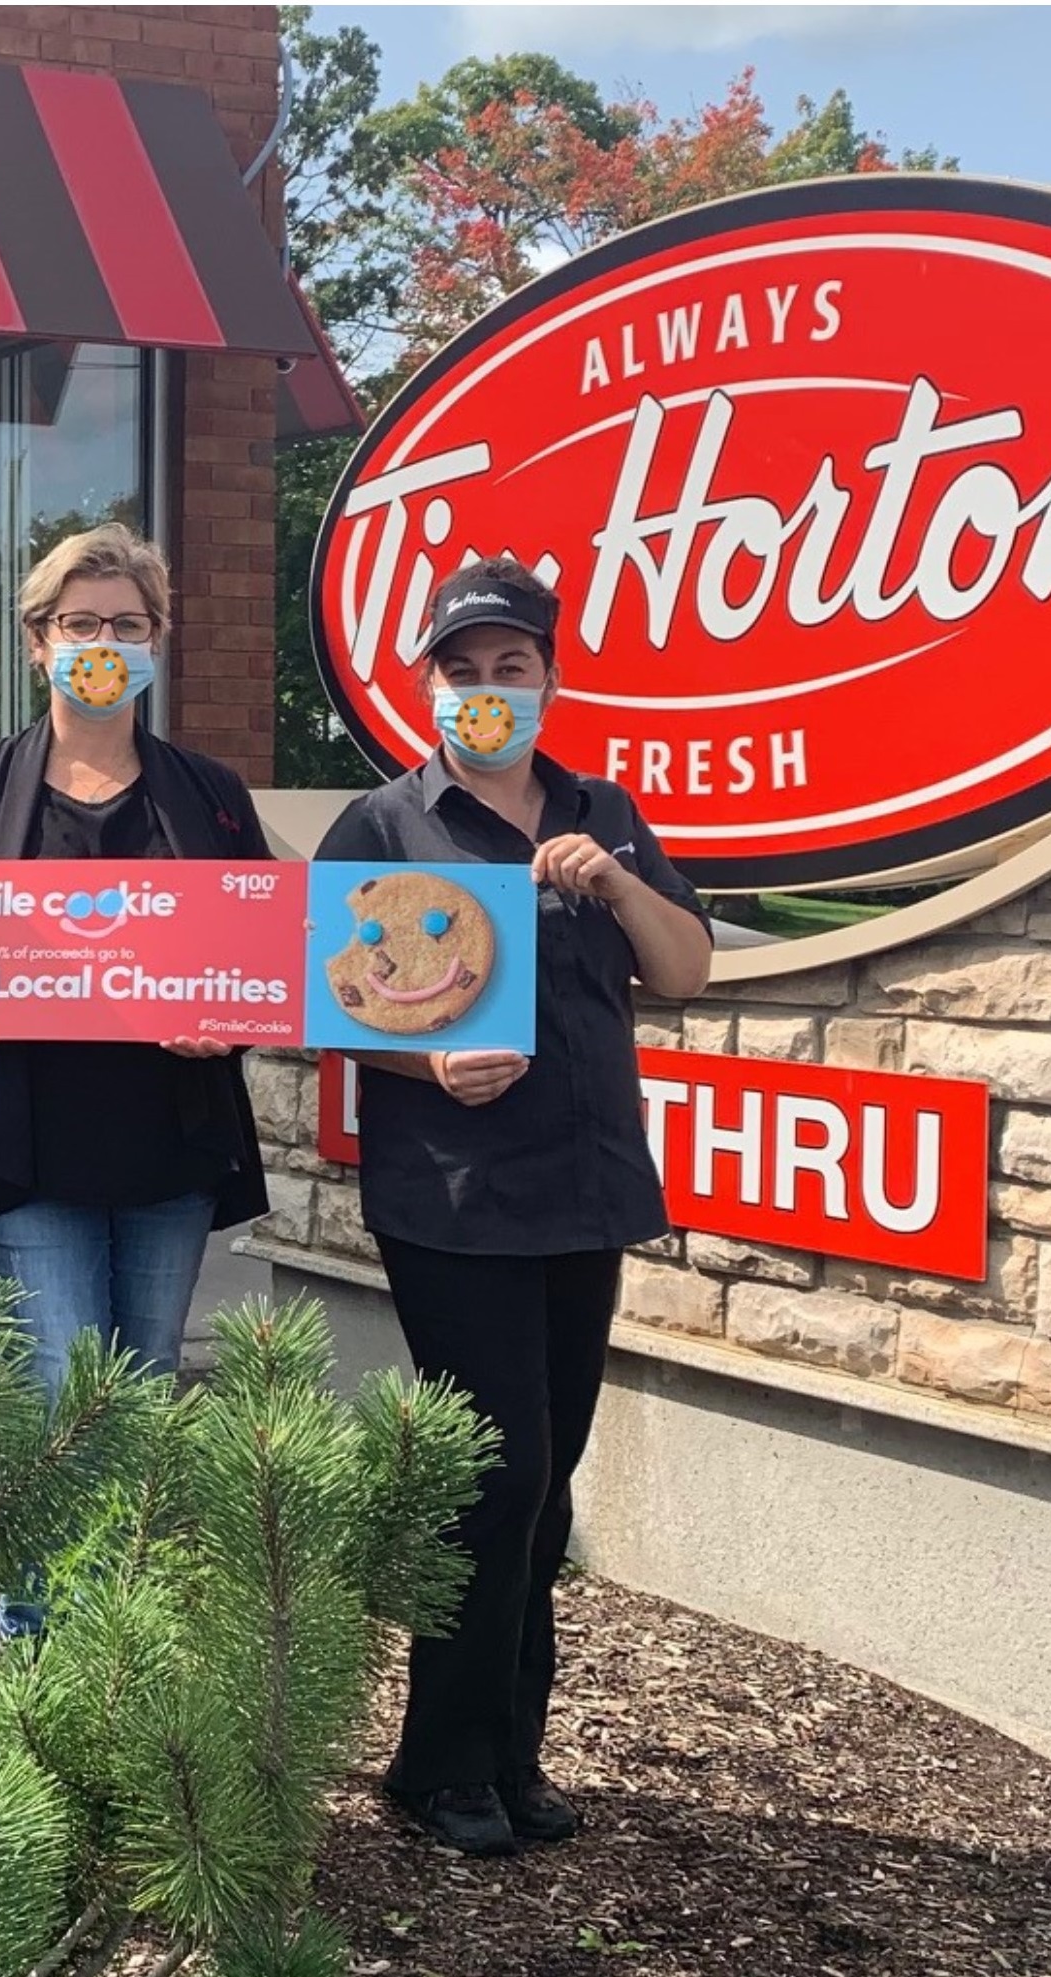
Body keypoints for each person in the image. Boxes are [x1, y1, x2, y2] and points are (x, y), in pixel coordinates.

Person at [315, 556, 713, 1857]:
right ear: (429, 683)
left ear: (546, 676)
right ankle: (436, 1764)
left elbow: (686, 969)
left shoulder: (604, 814)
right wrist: (426, 1060)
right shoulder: (384, 828)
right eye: (462, 671)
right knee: (496, 1477)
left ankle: (513, 1752)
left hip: (584, 1193)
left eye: (510, 669)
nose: (486, 692)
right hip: (451, 1200)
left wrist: (614, 881)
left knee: (548, 1491)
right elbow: (330, 1009)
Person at [0, 523, 272, 1406]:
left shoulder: (211, 794)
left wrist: (229, 1024)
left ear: (156, 640)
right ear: (38, 644)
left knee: (140, 1394)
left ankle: (127, 1554)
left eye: (127, 624)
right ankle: (57, 1557)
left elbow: (263, 960)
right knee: (57, 1395)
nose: (103, 644)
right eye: (78, 624)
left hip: (167, 1142)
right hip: (26, 1147)